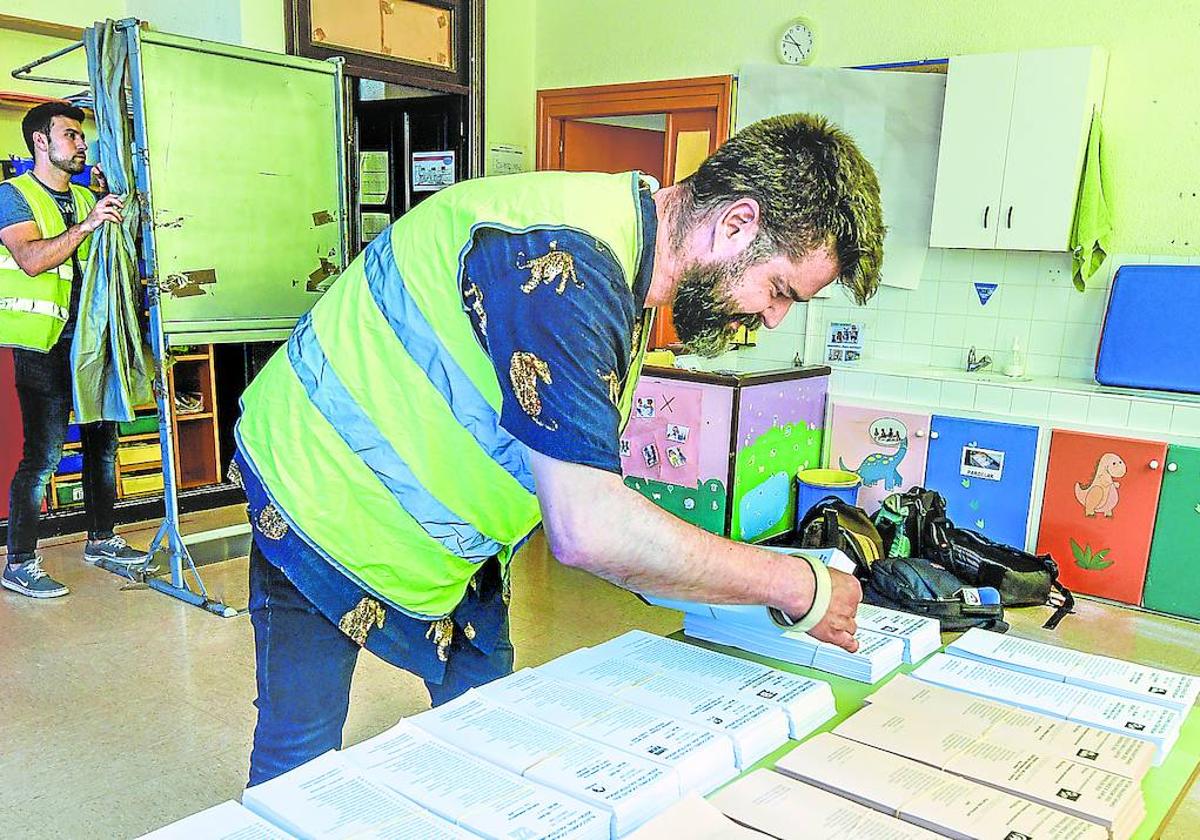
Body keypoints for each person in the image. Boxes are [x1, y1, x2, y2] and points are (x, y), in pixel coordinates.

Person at [233, 113, 885, 784]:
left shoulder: (623, 245)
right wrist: (795, 583)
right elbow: (589, 527)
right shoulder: (569, 271)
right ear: (736, 224)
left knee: (485, 712)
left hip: (447, 535)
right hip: (320, 487)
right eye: (779, 290)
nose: (773, 317)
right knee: (299, 758)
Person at [0, 101, 149, 600]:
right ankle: (19, 561)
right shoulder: (12, 196)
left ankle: (102, 539)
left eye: (81, 137)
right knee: (42, 457)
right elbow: (31, 260)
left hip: (91, 342)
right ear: (40, 142)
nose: (80, 144)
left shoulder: (89, 197)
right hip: (43, 344)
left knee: (102, 445)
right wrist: (87, 227)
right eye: (70, 135)